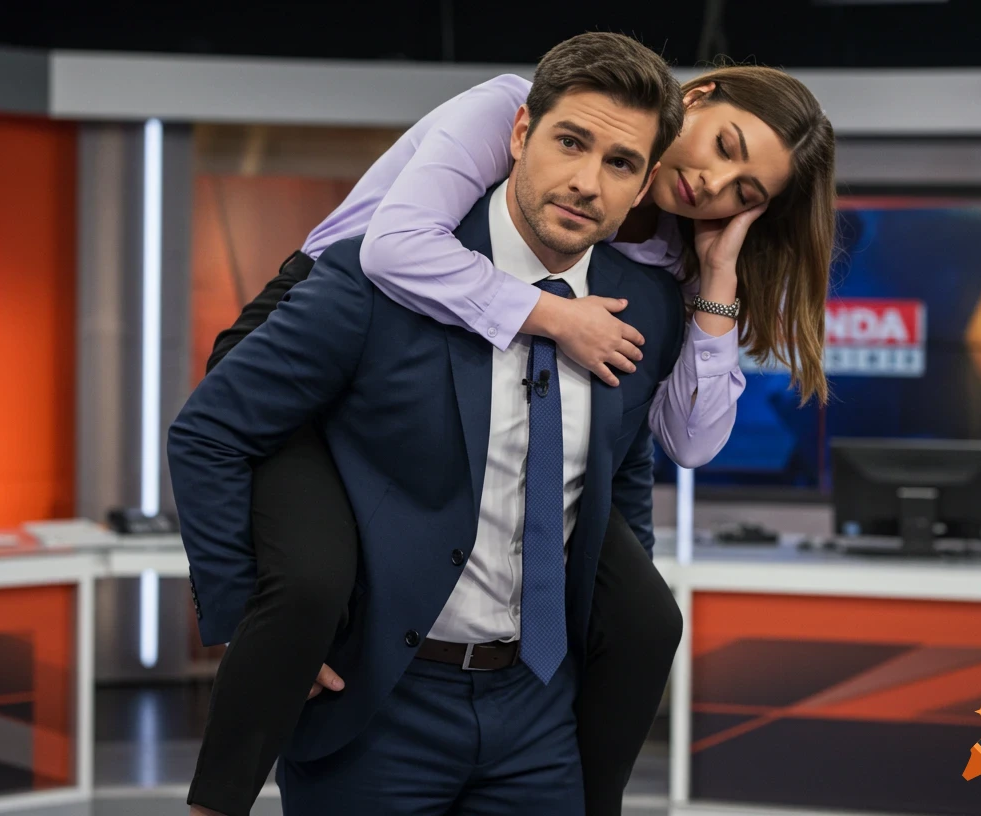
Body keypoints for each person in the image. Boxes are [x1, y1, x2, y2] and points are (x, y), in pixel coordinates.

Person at [184, 57, 836, 814]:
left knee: (646, 618)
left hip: (499, 413)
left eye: (745, 193)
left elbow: (683, 442)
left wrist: (717, 280)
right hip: (334, 323)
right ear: (697, 97)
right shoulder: (509, 110)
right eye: (724, 146)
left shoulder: (663, 255)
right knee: (307, 585)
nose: (712, 183)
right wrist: (557, 316)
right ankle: (221, 791)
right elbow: (392, 250)